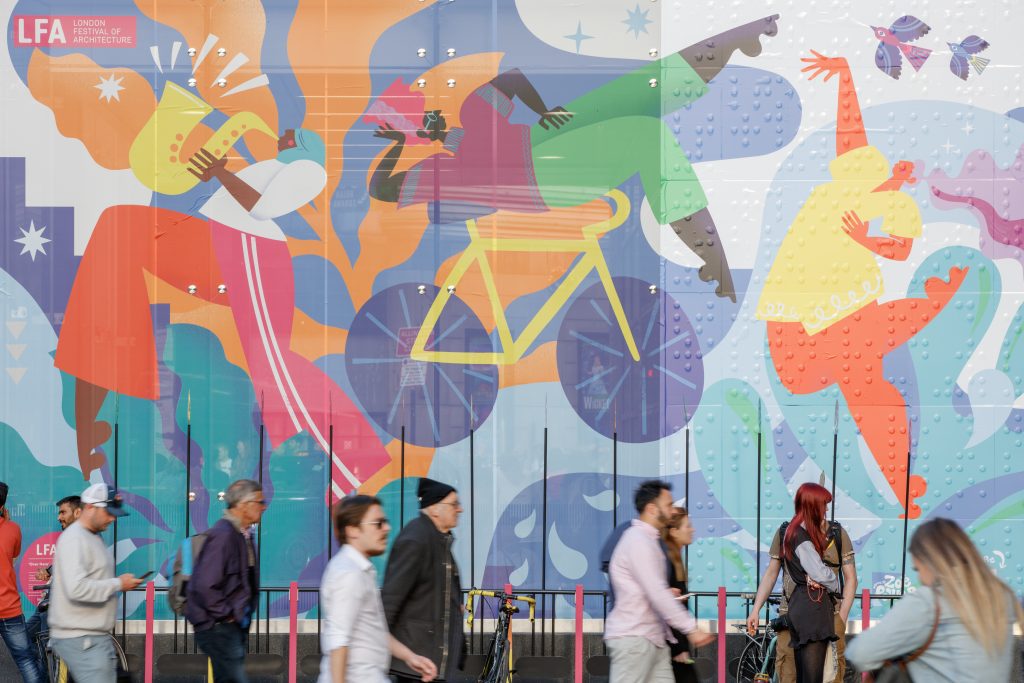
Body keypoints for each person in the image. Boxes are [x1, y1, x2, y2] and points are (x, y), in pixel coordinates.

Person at [54, 128, 388, 493]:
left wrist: (219, 173)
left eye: (289, 134)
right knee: (116, 226)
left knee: (274, 369)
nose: (282, 134)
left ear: (302, 144)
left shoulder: (310, 170)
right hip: (219, 241)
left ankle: (344, 468)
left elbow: (262, 207)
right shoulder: (276, 164)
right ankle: (116, 385)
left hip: (251, 253)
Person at [368, 15, 785, 303]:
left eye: (428, 110)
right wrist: (398, 146)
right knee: (645, 134)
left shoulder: (472, 113)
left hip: (540, 140)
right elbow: (381, 189)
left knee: (628, 93)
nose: (432, 116)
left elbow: (513, 80)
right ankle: (709, 253)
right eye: (422, 120)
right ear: (419, 135)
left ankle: (730, 43)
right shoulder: (438, 172)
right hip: (540, 180)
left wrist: (543, 111)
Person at [755, 52, 967, 519]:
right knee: (875, 376)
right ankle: (903, 486)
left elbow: (898, 248)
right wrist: (845, 78)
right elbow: (852, 138)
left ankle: (903, 487)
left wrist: (846, 75)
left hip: (817, 326)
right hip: (807, 333)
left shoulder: (861, 194)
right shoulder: (853, 191)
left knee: (876, 382)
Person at [846, 519, 1024, 682]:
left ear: (928, 561)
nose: (921, 579)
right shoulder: (1003, 597)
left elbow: (859, 653)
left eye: (918, 569)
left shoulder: (929, 601)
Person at [319, 495, 437, 682]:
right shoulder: (349, 574)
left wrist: (410, 657)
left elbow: (374, 630)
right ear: (352, 530)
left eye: (385, 522)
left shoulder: (360, 570)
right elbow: (338, 640)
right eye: (378, 523)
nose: (387, 528)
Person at [605, 481, 713, 682]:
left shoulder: (650, 542)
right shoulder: (638, 541)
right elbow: (655, 592)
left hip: (654, 639)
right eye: (669, 505)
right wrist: (691, 628)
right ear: (652, 509)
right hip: (634, 640)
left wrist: (666, 593)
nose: (673, 511)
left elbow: (653, 589)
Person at [745, 487, 856, 683]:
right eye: (824, 505)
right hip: (792, 614)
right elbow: (771, 574)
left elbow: (850, 578)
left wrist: (843, 615)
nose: (826, 510)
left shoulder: (837, 533)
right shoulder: (788, 533)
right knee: (789, 675)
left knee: (831, 677)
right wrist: (755, 610)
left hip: (830, 616)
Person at [48, 483, 140, 683]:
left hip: (90, 637)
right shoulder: (75, 539)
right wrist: (118, 584)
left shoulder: (90, 537)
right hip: (82, 639)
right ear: (90, 507)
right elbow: (77, 588)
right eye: (108, 512)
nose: (113, 518)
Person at [381, 478, 465, 681]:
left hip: (430, 664)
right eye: (454, 504)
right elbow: (390, 602)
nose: (459, 509)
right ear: (435, 509)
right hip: (417, 666)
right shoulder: (416, 540)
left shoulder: (439, 540)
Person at [186, 479, 267, 682]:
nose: (264, 507)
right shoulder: (224, 536)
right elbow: (205, 584)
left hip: (229, 625)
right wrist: (226, 616)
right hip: (220, 627)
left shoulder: (242, 534)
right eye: (259, 502)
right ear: (243, 505)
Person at [770, 483, 839, 683]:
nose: (826, 510)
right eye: (823, 505)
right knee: (812, 679)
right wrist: (834, 582)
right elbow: (821, 574)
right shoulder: (802, 536)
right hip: (812, 610)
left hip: (801, 607)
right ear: (812, 505)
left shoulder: (792, 532)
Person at [0, 482, 46, 683]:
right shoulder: (13, 529)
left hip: (9, 608)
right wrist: (7, 523)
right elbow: (11, 559)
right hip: (9, 607)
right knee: (25, 659)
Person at [25, 495, 83, 649]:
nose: (59, 517)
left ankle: (49, 673)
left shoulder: (83, 537)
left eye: (63, 512)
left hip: (58, 606)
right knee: (26, 640)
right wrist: (50, 571)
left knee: (48, 650)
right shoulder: (71, 536)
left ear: (77, 513)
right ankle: (43, 673)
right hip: (49, 604)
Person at [661, 504, 699, 683]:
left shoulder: (675, 559)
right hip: (672, 646)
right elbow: (668, 608)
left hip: (675, 645)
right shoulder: (668, 561)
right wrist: (679, 648)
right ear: (674, 531)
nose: (692, 529)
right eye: (687, 526)